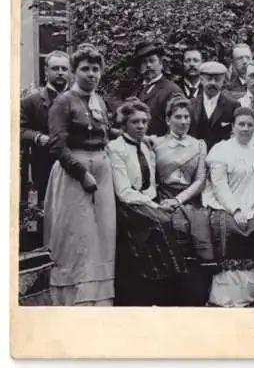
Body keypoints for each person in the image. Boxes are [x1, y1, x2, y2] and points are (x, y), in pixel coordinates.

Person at [44, 43, 116, 306]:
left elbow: (105, 133)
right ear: (75, 72)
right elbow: (57, 144)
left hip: (103, 172)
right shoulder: (63, 102)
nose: (91, 75)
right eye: (85, 69)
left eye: (95, 70)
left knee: (103, 233)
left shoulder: (99, 100)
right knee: (76, 235)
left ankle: (99, 298)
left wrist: (140, 140)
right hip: (73, 172)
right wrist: (81, 173)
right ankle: (73, 298)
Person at [107, 98, 187, 306]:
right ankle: (157, 285)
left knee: (169, 220)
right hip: (126, 205)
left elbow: (151, 183)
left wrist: (155, 201)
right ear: (124, 124)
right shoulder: (116, 149)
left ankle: (166, 288)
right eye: (135, 122)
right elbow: (123, 191)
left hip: (147, 200)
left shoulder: (147, 147)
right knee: (160, 223)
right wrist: (153, 206)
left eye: (144, 121)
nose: (141, 126)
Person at [202, 107, 254, 307]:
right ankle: (224, 298)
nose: (245, 128)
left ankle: (249, 294)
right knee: (231, 230)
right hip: (226, 205)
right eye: (241, 124)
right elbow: (219, 186)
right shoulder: (221, 150)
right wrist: (235, 209)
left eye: (250, 124)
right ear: (233, 126)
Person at [152, 96, 214, 306]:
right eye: (178, 117)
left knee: (199, 228)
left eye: (186, 117)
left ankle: (194, 295)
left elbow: (200, 181)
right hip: (161, 198)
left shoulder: (198, 145)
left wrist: (178, 200)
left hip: (189, 199)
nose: (183, 121)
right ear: (168, 119)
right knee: (168, 227)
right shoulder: (156, 143)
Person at [20, 50, 70, 204]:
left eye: (64, 69)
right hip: (44, 168)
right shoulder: (31, 102)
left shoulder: (82, 99)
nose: (60, 73)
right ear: (46, 71)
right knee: (47, 215)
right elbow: (18, 130)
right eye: (55, 68)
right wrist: (38, 137)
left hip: (77, 168)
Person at [132, 40, 184, 136]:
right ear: (139, 68)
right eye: (144, 62)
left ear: (161, 64)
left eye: (152, 60)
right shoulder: (136, 89)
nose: (148, 65)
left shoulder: (172, 90)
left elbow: (177, 126)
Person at [189, 61, 241, 151]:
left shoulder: (233, 105)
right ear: (201, 80)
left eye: (217, 79)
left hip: (222, 157)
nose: (213, 83)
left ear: (223, 81)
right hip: (194, 155)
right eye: (209, 79)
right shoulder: (190, 104)